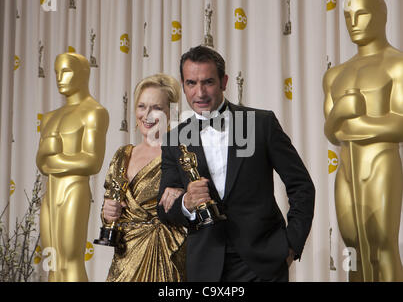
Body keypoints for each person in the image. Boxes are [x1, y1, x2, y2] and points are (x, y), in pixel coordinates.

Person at [157, 45, 315, 282]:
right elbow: (165, 208)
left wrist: (290, 245)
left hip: (263, 263)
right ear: (183, 84)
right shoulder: (174, 140)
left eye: (208, 82)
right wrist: (187, 203)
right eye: (191, 83)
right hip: (205, 266)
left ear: (224, 82)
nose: (199, 92)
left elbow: (301, 185)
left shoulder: (261, 124)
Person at [323, 0, 403, 281]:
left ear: (382, 17)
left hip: (381, 162)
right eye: (348, 16)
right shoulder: (336, 75)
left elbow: (400, 124)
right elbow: (331, 131)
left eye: (362, 14)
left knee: (382, 244)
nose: (353, 22)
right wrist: (340, 112)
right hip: (347, 167)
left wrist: (353, 124)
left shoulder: (397, 65)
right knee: (353, 246)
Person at [101, 73, 187, 282]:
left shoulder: (181, 153)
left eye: (156, 108)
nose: (147, 115)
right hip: (124, 258)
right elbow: (110, 210)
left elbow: (197, 201)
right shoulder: (123, 154)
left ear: (171, 112)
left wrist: (183, 196)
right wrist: (107, 211)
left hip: (165, 257)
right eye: (142, 106)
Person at [36, 52, 109, 282]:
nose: (59, 78)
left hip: (74, 189)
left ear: (83, 74)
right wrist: (51, 159)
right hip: (51, 191)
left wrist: (53, 159)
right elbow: (41, 163)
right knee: (53, 260)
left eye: (66, 71)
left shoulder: (94, 112)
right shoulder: (49, 117)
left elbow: (92, 161)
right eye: (57, 72)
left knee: (70, 257)